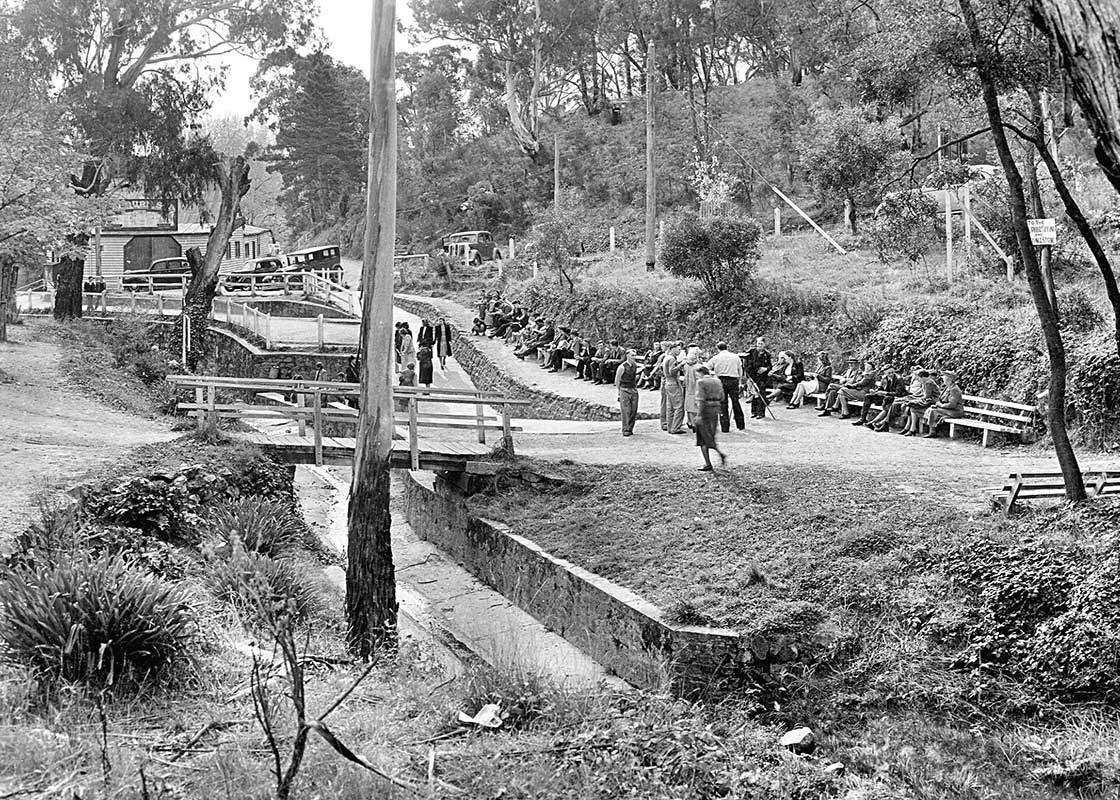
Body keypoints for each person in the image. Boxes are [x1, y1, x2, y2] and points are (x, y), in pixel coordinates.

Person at [694, 365, 727, 471]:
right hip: (716, 409)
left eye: (697, 374)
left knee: (702, 437)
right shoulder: (717, 381)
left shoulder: (701, 382)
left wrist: (699, 415)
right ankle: (719, 453)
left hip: (706, 409)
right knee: (710, 434)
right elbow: (722, 397)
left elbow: (701, 400)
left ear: (701, 373)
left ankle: (708, 463)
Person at [706, 341, 744, 433]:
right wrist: (740, 381)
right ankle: (740, 424)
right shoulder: (735, 357)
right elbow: (740, 370)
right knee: (735, 402)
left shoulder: (716, 358)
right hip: (733, 380)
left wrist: (713, 375)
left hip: (721, 380)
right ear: (727, 347)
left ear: (718, 349)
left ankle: (725, 427)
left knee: (723, 403)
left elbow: (707, 367)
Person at [922, 370, 965, 437]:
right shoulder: (947, 387)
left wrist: (941, 405)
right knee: (931, 409)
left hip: (955, 411)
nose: (943, 379)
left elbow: (952, 405)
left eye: (944, 377)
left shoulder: (954, 389)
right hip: (948, 409)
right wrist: (938, 404)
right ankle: (931, 430)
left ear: (949, 379)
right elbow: (941, 399)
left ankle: (932, 432)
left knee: (934, 411)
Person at [896, 369, 939, 436]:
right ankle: (910, 428)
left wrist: (915, 400)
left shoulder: (928, 383)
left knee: (913, 407)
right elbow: (923, 395)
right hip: (928, 401)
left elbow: (927, 396)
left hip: (932, 402)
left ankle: (912, 429)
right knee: (911, 406)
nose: (918, 380)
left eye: (919, 378)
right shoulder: (927, 382)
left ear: (923, 377)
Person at [743, 337, 773, 419]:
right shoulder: (751, 351)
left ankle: (761, 413)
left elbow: (770, 366)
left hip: (762, 377)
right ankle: (754, 412)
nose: (759, 345)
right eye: (758, 343)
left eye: (761, 344)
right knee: (754, 394)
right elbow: (745, 361)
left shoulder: (767, 354)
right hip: (752, 376)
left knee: (761, 394)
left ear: (764, 344)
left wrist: (765, 369)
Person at [661, 342, 686, 434]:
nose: (679, 351)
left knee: (670, 407)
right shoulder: (671, 359)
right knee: (679, 406)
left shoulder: (666, 357)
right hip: (673, 383)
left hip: (667, 383)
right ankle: (675, 428)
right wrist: (680, 365)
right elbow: (672, 372)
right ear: (673, 349)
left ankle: (670, 427)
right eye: (678, 349)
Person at [615, 349, 640, 437]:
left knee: (633, 410)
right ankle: (626, 429)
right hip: (624, 389)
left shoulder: (635, 366)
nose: (634, 357)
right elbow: (617, 380)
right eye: (632, 355)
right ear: (627, 356)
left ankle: (630, 428)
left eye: (635, 355)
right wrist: (619, 391)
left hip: (633, 389)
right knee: (626, 410)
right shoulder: (622, 367)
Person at [681, 346, 701, 429]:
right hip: (696, 387)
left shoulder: (686, 366)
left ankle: (690, 421)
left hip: (688, 387)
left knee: (689, 405)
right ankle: (695, 423)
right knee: (696, 405)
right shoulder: (698, 367)